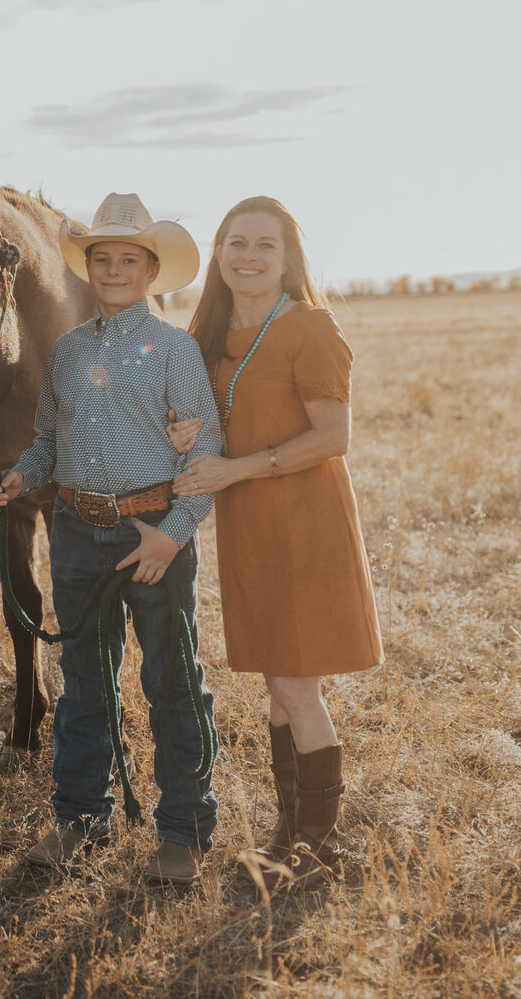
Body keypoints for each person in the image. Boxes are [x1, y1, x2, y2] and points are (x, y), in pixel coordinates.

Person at [0, 193, 223, 885]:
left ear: (151, 270)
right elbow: (47, 443)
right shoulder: (65, 352)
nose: (113, 270)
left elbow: (204, 457)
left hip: (152, 534)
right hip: (75, 532)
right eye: (102, 258)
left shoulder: (174, 350)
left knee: (173, 681)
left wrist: (171, 536)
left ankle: (184, 828)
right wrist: (18, 475)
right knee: (84, 683)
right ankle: (80, 816)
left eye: (128, 259)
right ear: (86, 268)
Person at [167, 195, 383, 891]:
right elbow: (222, 422)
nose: (248, 255)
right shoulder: (216, 331)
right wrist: (194, 442)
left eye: (265, 244)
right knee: (274, 680)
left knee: (297, 682)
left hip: (307, 519)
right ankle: (287, 834)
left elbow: (334, 436)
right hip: (250, 522)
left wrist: (234, 468)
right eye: (236, 241)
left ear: (288, 258)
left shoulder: (310, 328)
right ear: (220, 253)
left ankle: (320, 850)